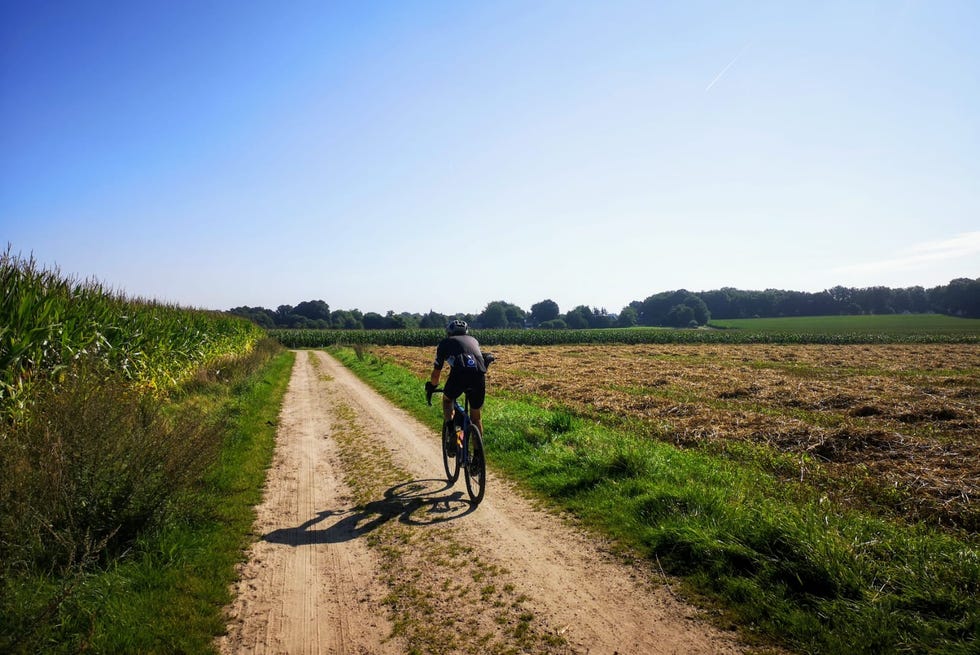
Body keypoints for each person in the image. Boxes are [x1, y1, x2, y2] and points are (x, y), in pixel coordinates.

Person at [425, 319, 491, 454]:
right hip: (479, 377)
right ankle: (478, 458)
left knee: (448, 400)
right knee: (476, 417)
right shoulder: (473, 340)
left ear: (449, 332)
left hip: (459, 376)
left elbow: (436, 373)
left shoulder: (445, 343)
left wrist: (432, 386)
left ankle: (452, 431)